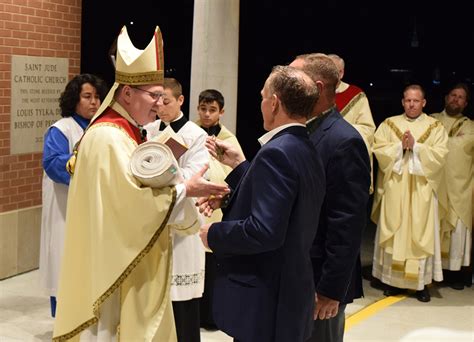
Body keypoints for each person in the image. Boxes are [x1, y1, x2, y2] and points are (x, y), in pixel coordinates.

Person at [52, 26, 228, 342]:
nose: (158, 104)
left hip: (121, 264)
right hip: (113, 275)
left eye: (162, 96)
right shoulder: (108, 137)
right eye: (154, 95)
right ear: (128, 93)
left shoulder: (126, 132)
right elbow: (130, 207)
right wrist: (187, 187)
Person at [198, 65, 325, 342]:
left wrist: (214, 235)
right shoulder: (305, 146)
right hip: (291, 291)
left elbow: (264, 231)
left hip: (267, 300)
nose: (262, 103)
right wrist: (240, 165)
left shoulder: (276, 152)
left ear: (275, 103)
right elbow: (287, 207)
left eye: (263, 96)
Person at [290, 53, 371, 342]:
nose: (285, 86)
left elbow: (346, 224)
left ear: (319, 86)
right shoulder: (302, 129)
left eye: (293, 79)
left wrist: (330, 290)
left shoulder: (343, 141)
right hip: (296, 273)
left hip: (320, 282)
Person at [145, 77, 209, 342]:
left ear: (181, 100)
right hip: (152, 220)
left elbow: (195, 176)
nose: (160, 105)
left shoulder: (196, 135)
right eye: (157, 99)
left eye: (166, 100)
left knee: (182, 305)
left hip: (182, 223)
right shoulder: (147, 131)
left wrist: (159, 171)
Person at [371, 84, 448, 302]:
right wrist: (398, 148)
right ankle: (393, 281)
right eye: (408, 100)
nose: (411, 104)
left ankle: (420, 283)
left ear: (424, 103)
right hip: (396, 185)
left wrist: (417, 148)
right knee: (395, 228)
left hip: (421, 188)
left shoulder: (435, 126)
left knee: (419, 233)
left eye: (416, 101)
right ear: (402, 101)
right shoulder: (390, 124)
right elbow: (378, 149)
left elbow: (441, 155)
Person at [39, 74, 108, 318]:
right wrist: (89, 163)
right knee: (64, 264)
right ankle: (64, 323)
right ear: (74, 99)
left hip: (94, 209)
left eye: (97, 97)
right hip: (65, 210)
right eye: (87, 97)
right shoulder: (61, 129)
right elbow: (53, 164)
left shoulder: (101, 128)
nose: (94, 102)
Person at [194, 88, 244, 330]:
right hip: (195, 206)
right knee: (195, 261)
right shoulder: (190, 134)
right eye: (203, 108)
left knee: (214, 266)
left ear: (221, 112)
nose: (206, 114)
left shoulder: (230, 140)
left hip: (218, 207)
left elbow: (237, 173)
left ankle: (212, 316)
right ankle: (194, 312)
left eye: (212, 110)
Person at [431, 83, 474, 290]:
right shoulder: (431, 121)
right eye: (453, 95)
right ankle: (433, 271)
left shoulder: (471, 126)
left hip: (461, 189)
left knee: (457, 233)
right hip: (436, 188)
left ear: (465, 103)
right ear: (446, 97)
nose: (456, 99)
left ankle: (455, 273)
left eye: (460, 97)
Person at [328, 54, 375, 193]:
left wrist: (340, 134)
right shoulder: (314, 93)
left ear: (341, 73)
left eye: (332, 70)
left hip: (347, 161)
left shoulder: (356, 95)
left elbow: (367, 129)